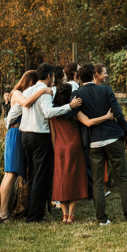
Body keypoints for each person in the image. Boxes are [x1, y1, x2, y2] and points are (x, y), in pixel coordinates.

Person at [74, 63, 127, 225]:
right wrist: (126, 133)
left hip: (94, 142)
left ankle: (102, 219)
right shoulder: (106, 90)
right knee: (122, 177)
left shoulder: (77, 95)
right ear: (94, 75)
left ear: (80, 78)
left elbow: (75, 116)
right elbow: (118, 113)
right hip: (113, 137)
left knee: (96, 182)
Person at [18, 63, 82, 223]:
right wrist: (70, 106)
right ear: (48, 76)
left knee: (32, 174)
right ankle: (35, 216)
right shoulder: (45, 93)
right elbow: (49, 112)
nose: (54, 79)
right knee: (40, 176)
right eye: (53, 76)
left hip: (25, 134)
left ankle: (31, 212)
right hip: (39, 135)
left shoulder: (28, 91)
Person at [0, 70, 53, 223]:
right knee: (10, 174)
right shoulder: (16, 93)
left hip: (21, 133)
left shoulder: (25, 93)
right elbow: (26, 102)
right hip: (15, 133)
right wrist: (43, 90)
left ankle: (14, 209)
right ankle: (2, 213)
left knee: (17, 174)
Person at [49, 64, 90, 224]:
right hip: (75, 146)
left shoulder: (53, 115)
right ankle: (71, 215)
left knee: (61, 180)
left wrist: (55, 148)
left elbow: (52, 135)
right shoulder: (73, 113)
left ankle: (64, 215)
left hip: (59, 147)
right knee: (75, 179)